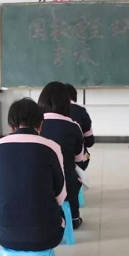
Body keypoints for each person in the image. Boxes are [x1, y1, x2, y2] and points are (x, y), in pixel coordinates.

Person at [0, 98, 66, 251]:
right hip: (46, 237)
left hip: (3, 235)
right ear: (40, 125)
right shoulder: (52, 147)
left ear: (10, 126)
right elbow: (60, 195)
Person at [38, 82, 86, 229]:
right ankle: (74, 218)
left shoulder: (35, 124)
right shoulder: (73, 126)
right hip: (65, 182)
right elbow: (79, 159)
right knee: (72, 174)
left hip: (38, 182)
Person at [66, 83, 94, 170]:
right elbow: (90, 142)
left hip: (52, 160)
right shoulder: (80, 111)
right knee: (85, 155)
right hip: (76, 160)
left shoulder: (47, 112)